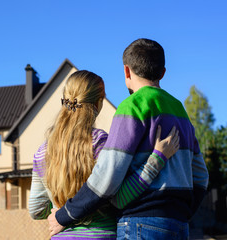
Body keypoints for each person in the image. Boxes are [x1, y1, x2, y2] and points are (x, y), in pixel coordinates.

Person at [48, 39, 209, 240]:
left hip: (141, 223)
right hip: (179, 225)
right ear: (162, 73)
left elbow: (107, 176)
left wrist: (64, 216)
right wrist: (181, 213)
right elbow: (201, 176)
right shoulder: (180, 111)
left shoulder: (131, 107)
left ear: (127, 71)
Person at [29, 70, 180, 239]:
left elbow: (35, 210)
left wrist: (60, 213)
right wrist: (157, 159)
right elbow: (121, 198)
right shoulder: (102, 143)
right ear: (97, 103)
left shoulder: (42, 152)